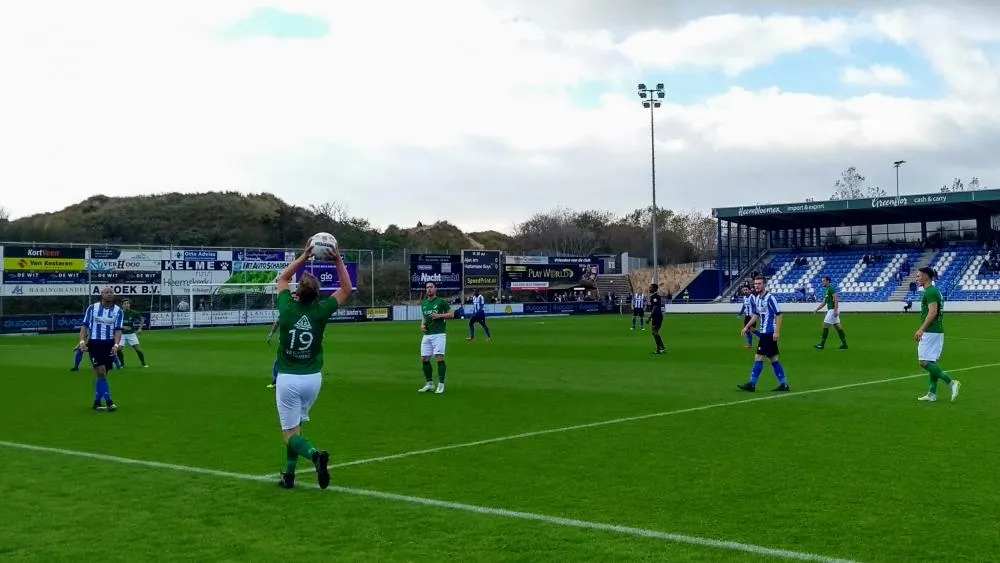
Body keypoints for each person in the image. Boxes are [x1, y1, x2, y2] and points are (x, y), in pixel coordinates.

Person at [273, 243, 352, 490]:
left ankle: (316, 456)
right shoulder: (320, 311)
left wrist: (304, 256)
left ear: (297, 292)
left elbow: (283, 277)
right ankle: (289, 477)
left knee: (290, 435)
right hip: (313, 380)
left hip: (288, 378)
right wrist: (338, 260)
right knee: (297, 428)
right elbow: (347, 289)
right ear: (316, 295)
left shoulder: (286, 309)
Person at [914, 267, 961, 402]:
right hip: (936, 331)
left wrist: (921, 329)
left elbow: (933, 312)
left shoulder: (930, 292)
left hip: (930, 331)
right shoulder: (935, 291)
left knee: (923, 362)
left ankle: (952, 383)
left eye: (918, 276)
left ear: (926, 277)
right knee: (931, 362)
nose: (917, 279)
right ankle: (932, 394)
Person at [739, 276, 790, 393]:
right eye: (755, 283)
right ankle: (784, 384)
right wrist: (746, 327)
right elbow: (756, 315)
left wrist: (777, 331)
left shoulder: (770, 298)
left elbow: (779, 315)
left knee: (759, 357)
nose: (757, 285)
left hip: (769, 332)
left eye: (759, 283)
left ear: (764, 285)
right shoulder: (757, 298)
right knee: (773, 359)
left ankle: (752, 384)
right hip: (764, 332)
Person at [79, 287, 124, 411]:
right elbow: (85, 326)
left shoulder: (118, 311)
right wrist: (82, 341)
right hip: (95, 344)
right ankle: (109, 402)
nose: (109, 294)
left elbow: (118, 330)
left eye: (111, 293)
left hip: (109, 344)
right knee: (100, 372)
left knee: (103, 374)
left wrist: (116, 345)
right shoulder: (92, 308)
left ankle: (97, 402)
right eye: (106, 292)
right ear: (102, 295)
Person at [419, 281, 454, 394]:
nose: (429, 289)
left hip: (439, 334)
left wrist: (440, 315)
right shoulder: (424, 303)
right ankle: (429, 384)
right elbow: (424, 317)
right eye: (427, 287)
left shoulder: (441, 302)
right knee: (424, 359)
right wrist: (422, 325)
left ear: (435, 289)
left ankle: (441, 384)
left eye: (431, 287)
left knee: (439, 357)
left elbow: (451, 314)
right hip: (427, 335)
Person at [812, 277, 847, 350]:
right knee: (837, 327)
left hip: (832, 310)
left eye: (824, 281)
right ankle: (844, 344)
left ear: (828, 281)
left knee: (825, 325)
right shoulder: (827, 290)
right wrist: (817, 309)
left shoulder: (831, 288)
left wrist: (835, 309)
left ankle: (822, 345)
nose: (822, 282)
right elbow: (824, 302)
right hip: (832, 310)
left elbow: (836, 298)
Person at [118, 299, 150, 367]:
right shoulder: (119, 313)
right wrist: (123, 327)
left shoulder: (133, 313)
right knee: (118, 349)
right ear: (122, 305)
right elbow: (114, 323)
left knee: (138, 349)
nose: (126, 305)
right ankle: (122, 364)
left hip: (131, 334)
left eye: (127, 303)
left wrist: (140, 328)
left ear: (129, 305)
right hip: (121, 334)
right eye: (125, 304)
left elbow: (141, 319)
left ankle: (143, 363)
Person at [648, 283, 665, 355]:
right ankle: (661, 348)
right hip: (656, 316)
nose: (649, 289)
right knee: (654, 333)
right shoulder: (654, 296)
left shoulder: (655, 296)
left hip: (657, 316)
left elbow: (655, 308)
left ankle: (660, 348)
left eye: (651, 287)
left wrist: (649, 317)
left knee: (654, 332)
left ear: (654, 289)